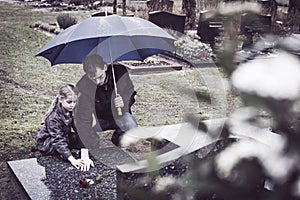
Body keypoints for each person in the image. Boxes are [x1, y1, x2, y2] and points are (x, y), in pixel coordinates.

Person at [74, 54, 138, 148]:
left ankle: (117, 138)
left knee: (132, 126)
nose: (98, 82)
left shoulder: (120, 73)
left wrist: (124, 102)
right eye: (93, 79)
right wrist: (89, 145)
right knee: (79, 123)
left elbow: (130, 93)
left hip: (118, 115)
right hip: (98, 119)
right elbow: (83, 116)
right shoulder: (82, 86)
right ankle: (94, 139)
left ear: (105, 67)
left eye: (100, 77)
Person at [35, 84, 94, 171]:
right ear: (61, 99)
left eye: (75, 102)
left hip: (64, 136)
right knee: (64, 142)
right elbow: (57, 139)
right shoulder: (53, 118)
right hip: (48, 143)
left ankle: (68, 151)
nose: (72, 105)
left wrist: (84, 153)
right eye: (69, 102)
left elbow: (80, 129)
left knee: (91, 137)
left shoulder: (71, 110)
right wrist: (72, 160)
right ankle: (64, 154)